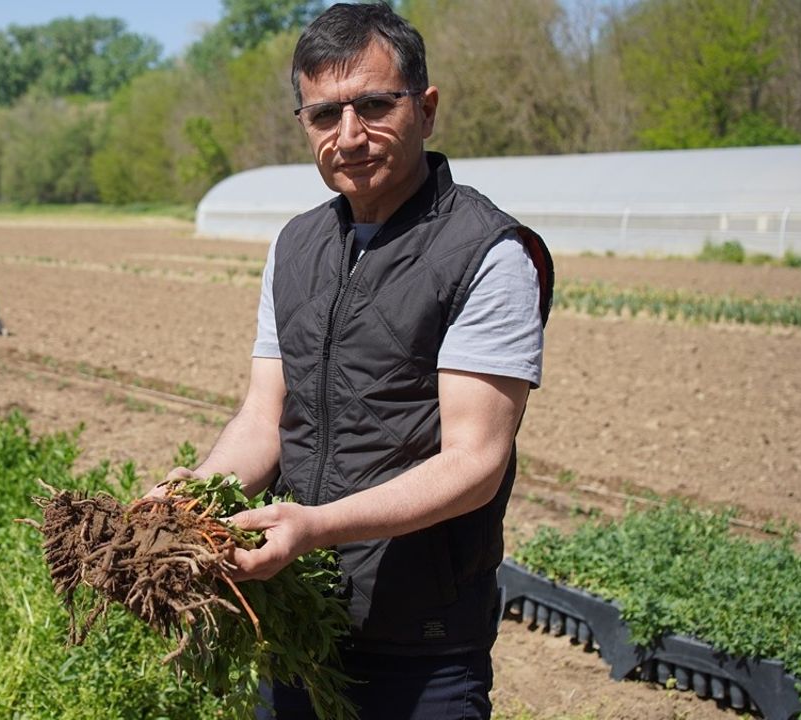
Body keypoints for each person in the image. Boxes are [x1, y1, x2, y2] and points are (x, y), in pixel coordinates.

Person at [162, 4, 554, 719]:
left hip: (422, 644)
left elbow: (474, 463)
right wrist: (199, 496)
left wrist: (316, 526)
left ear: (425, 109)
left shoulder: (488, 254)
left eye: (374, 106)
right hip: (297, 618)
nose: (348, 136)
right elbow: (263, 416)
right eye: (323, 115)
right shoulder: (296, 247)